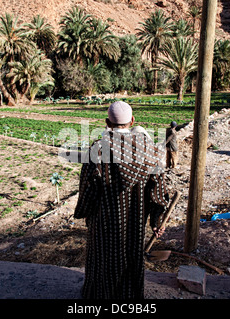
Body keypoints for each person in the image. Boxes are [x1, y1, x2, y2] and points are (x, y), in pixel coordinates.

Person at [74, 101, 169, 299]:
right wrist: (157, 220)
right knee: (131, 258)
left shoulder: (98, 150)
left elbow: (87, 187)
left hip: (103, 222)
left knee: (103, 259)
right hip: (135, 222)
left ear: (107, 122)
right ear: (133, 121)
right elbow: (158, 188)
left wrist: (85, 211)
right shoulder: (150, 151)